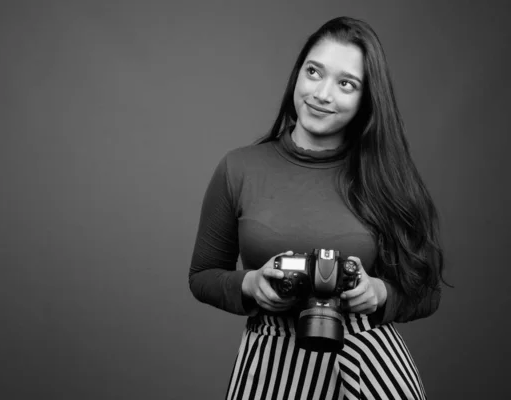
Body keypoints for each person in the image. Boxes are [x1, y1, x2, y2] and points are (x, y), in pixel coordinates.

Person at [189, 16, 445, 400]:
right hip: (270, 365)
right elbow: (203, 275)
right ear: (297, 75)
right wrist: (250, 283)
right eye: (314, 72)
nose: (322, 94)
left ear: (365, 98)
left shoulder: (385, 174)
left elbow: (428, 292)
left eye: (346, 84)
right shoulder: (239, 167)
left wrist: (377, 293)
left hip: (368, 359)